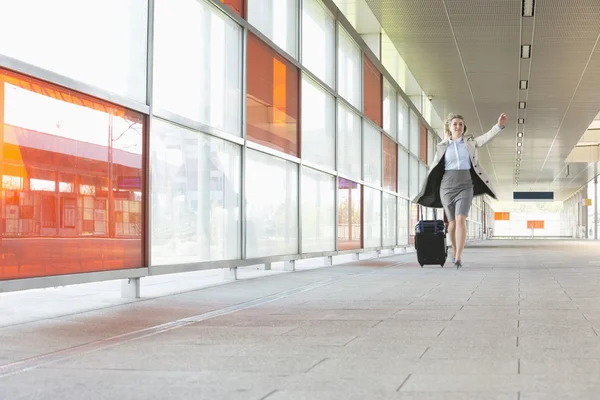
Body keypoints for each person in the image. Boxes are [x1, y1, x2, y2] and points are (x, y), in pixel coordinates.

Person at [414, 112, 508, 268]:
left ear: (464, 128)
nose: (458, 126)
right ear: (449, 128)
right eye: (455, 124)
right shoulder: (442, 146)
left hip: (465, 185)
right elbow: (434, 168)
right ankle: (454, 249)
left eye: (460, 124)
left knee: (460, 219)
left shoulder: (470, 143)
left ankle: (459, 255)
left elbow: (485, 138)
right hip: (447, 186)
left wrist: (499, 125)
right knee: (451, 224)